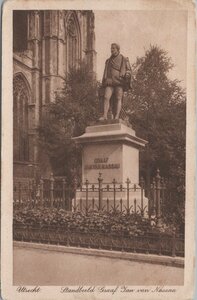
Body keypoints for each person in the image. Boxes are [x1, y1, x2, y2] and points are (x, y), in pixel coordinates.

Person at [99, 43, 132, 120]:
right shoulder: (108, 60)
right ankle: (104, 115)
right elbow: (105, 72)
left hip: (119, 81)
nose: (112, 50)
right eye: (111, 48)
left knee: (118, 98)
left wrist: (127, 73)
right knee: (106, 97)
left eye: (113, 48)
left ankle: (117, 116)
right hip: (109, 81)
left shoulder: (124, 58)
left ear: (117, 49)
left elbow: (129, 70)